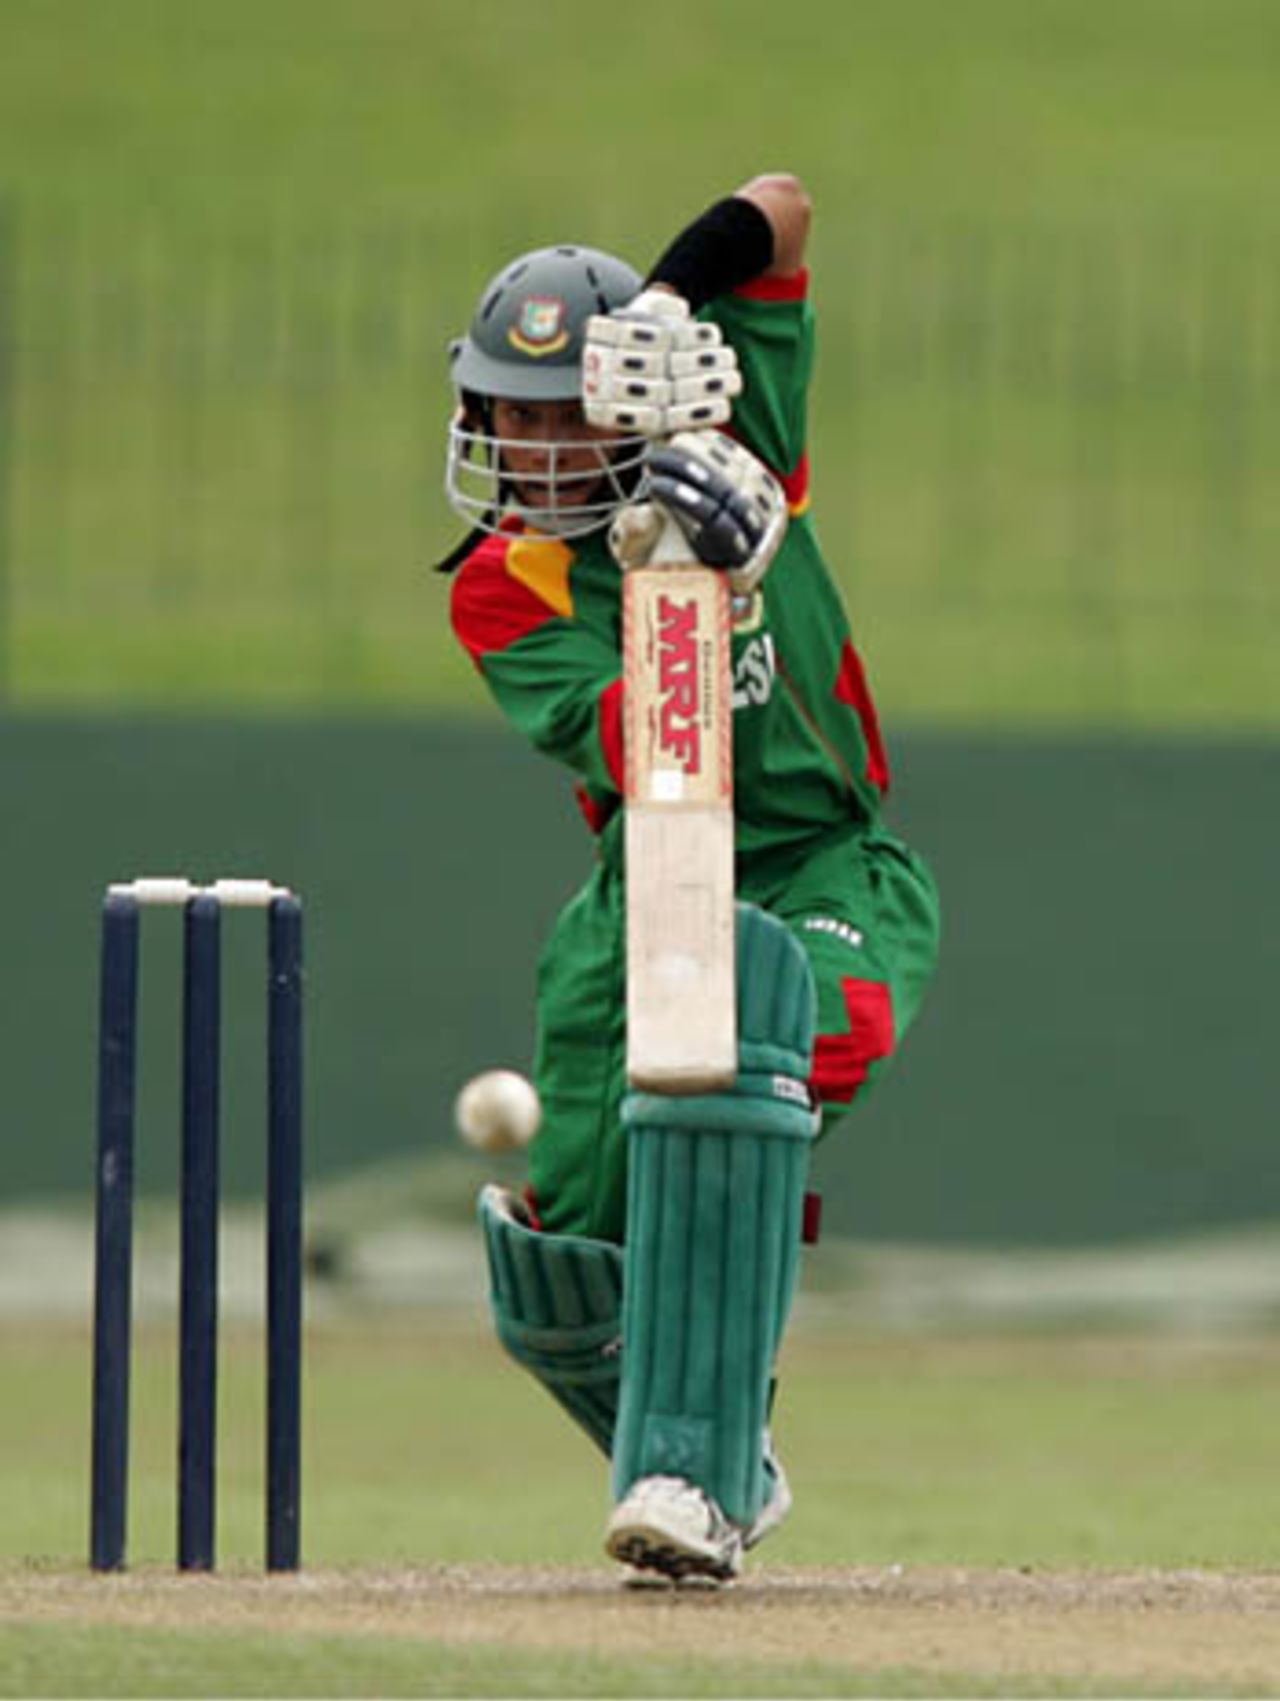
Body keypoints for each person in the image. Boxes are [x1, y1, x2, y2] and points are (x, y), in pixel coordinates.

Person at [439, 173, 941, 1584]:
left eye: (566, 412)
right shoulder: (505, 584)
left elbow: (781, 208)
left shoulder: (738, 430)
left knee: (755, 1052)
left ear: (627, 398)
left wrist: (666, 296)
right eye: (511, 415)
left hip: (825, 861)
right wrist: (706, 580)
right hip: (645, 884)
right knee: (555, 1283)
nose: (536, 447)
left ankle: (696, 1477)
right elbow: (653, 747)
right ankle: (722, 1441)